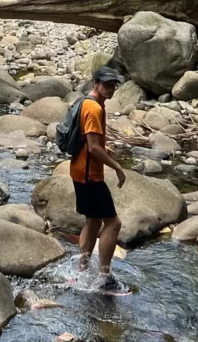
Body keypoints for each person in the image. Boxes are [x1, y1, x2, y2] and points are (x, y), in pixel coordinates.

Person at [70, 66, 126, 291]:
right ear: (96, 83)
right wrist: (117, 167)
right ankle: (104, 275)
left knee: (92, 220)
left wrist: (104, 148)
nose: (110, 89)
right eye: (106, 85)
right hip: (90, 176)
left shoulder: (87, 101)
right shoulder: (93, 108)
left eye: (113, 85)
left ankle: (82, 271)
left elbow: (90, 142)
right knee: (113, 223)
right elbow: (93, 148)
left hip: (79, 171)